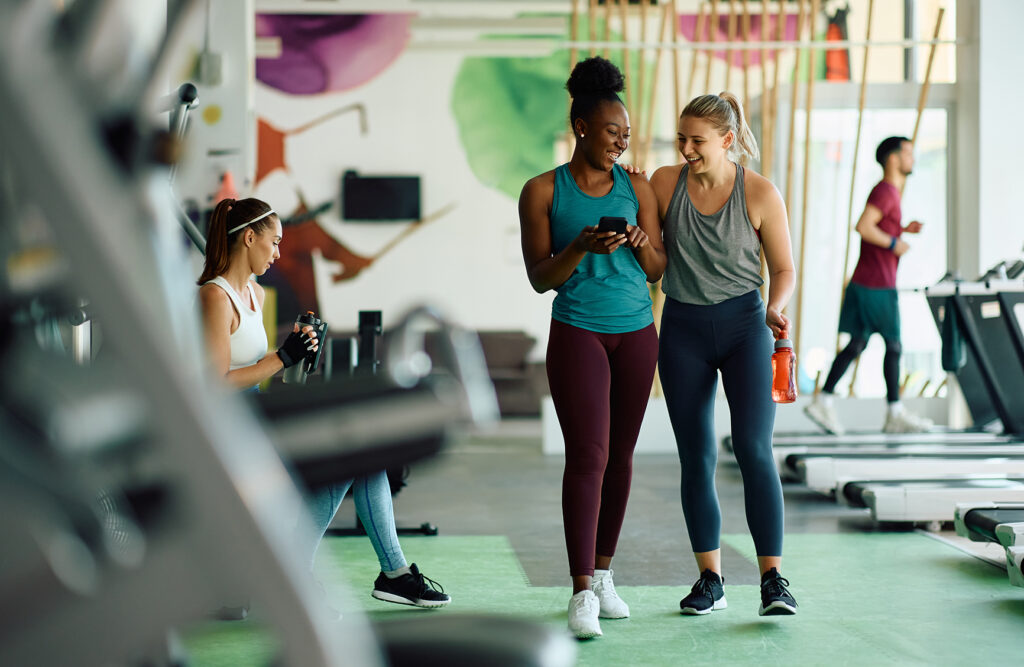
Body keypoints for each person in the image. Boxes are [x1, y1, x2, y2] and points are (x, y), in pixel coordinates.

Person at [197, 197, 449, 612]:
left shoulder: (255, 294)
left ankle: (395, 574)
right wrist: (281, 357)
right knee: (345, 459)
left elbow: (265, 367)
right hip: (227, 432)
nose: (278, 252)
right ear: (249, 238)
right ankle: (301, 577)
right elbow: (216, 384)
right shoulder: (214, 298)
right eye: (274, 242)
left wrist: (298, 354)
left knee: (365, 451)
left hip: (258, 420)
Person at [518, 56, 665, 639]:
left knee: (622, 458)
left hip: (635, 333)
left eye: (626, 135)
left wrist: (636, 241)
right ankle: (581, 588)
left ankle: (604, 574)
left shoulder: (641, 187)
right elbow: (540, 277)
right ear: (582, 127)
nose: (621, 144)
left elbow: (657, 269)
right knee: (589, 456)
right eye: (612, 133)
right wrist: (580, 244)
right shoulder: (541, 190)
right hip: (577, 328)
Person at [647, 92, 798, 617]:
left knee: (755, 450)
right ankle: (710, 579)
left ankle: (773, 580)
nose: (686, 148)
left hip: (745, 328)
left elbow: (783, 269)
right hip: (684, 327)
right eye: (681, 139)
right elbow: (652, 257)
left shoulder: (758, 192)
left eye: (697, 140)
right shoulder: (665, 184)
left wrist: (776, 307)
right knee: (697, 458)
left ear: (727, 141)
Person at [803, 136, 932, 435]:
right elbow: (863, 226)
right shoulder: (887, 191)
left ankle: (823, 400)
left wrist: (901, 229)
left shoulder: (888, 192)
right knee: (894, 345)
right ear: (893, 158)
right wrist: (894, 242)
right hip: (877, 283)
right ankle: (894, 413)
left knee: (858, 343)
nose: (912, 159)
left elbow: (877, 225)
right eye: (908, 153)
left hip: (868, 280)